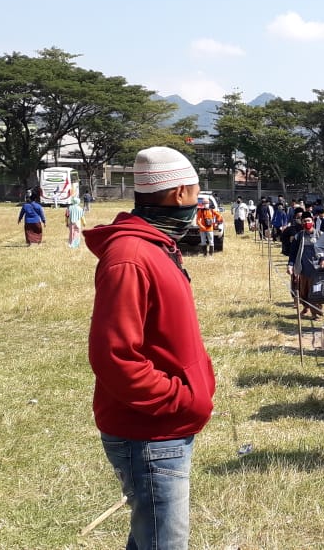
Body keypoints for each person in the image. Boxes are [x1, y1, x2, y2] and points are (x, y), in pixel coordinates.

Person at [84, 146, 216, 549]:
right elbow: (114, 356)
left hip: (161, 428)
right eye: (195, 192)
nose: (197, 201)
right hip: (152, 433)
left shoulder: (155, 247)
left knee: (149, 538)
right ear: (179, 193)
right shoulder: (131, 257)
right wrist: (179, 398)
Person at [288, 214, 324, 319]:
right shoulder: (298, 236)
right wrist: (290, 265)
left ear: (312, 221)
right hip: (303, 269)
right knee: (303, 292)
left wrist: (323, 260)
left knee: (316, 292)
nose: (306, 223)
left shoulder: (320, 235)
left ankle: (316, 313)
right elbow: (293, 252)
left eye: (308, 220)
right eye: (304, 221)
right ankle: (306, 307)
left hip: (317, 270)